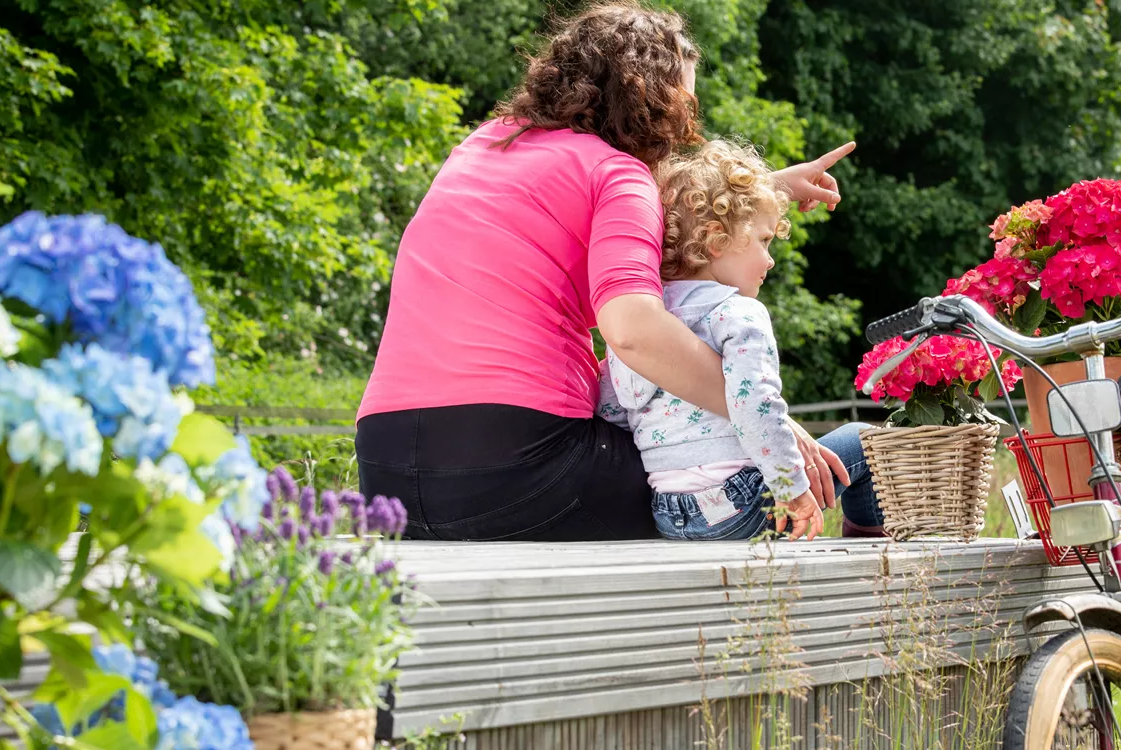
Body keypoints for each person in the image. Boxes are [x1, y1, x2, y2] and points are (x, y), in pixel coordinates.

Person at [354, 2, 860, 541]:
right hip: (521, 467)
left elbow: (665, 220)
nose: (689, 120)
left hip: (386, 473)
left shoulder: (481, 146)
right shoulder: (617, 175)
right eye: (687, 98)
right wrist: (773, 425)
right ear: (651, 94)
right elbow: (633, 332)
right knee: (837, 450)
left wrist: (768, 189)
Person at [597, 139, 882, 541]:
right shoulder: (738, 313)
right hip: (743, 505)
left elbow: (610, 408)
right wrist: (792, 489)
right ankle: (870, 557)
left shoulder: (640, 317)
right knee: (863, 440)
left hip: (668, 511)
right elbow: (756, 404)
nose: (771, 259)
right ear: (716, 242)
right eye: (764, 240)